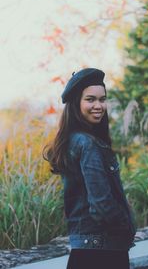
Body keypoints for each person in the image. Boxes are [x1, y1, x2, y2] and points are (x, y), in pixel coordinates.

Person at [43, 68, 136, 269]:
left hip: (85, 252)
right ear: (76, 103)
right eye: (90, 99)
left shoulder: (73, 141)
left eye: (102, 100)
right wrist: (125, 227)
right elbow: (101, 202)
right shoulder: (88, 144)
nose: (98, 106)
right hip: (102, 255)